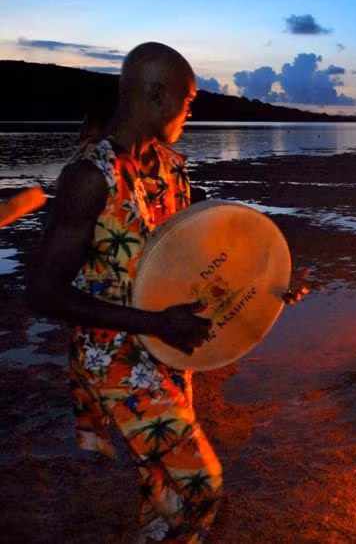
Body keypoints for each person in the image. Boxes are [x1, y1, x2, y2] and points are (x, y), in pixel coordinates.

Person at [26, 42, 221, 543]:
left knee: (161, 483)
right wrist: (156, 323)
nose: (190, 111)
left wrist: (264, 283)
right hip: (113, 352)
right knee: (200, 481)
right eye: (189, 99)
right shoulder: (90, 178)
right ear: (157, 95)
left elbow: (188, 255)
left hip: (164, 342)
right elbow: (42, 293)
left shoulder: (169, 169)